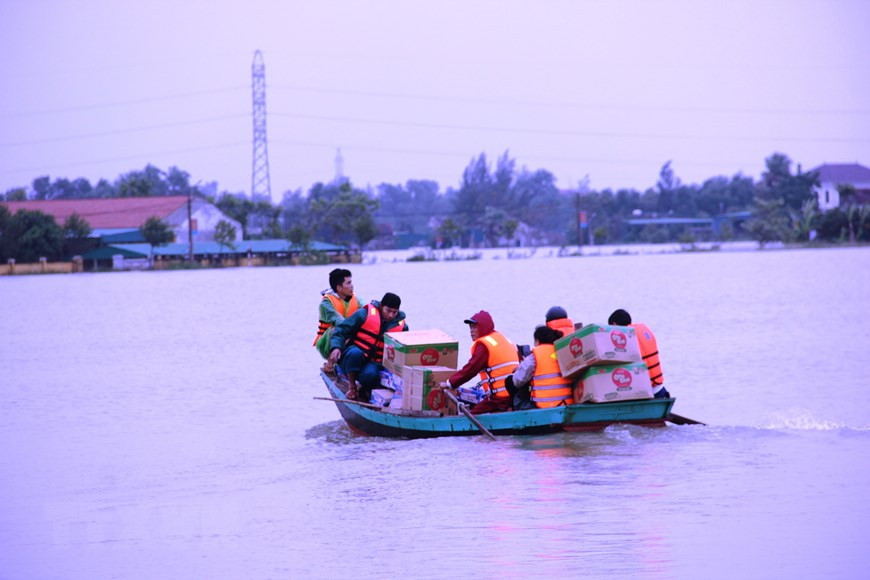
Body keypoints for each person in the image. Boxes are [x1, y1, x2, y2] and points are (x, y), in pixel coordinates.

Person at [325, 292, 408, 401]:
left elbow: (405, 349)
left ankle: (364, 387)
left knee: (370, 375)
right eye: (388, 310)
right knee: (355, 353)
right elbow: (341, 330)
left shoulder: (402, 327)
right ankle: (352, 386)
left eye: (394, 312)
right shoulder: (363, 314)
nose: (391, 315)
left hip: (374, 363)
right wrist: (336, 347)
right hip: (352, 357)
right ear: (381, 306)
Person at [440, 310, 519, 414]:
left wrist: (450, 383)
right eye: (470, 328)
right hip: (514, 395)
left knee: (471, 416)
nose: (471, 331)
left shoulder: (484, 345)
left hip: (499, 399)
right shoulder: (503, 339)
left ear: (483, 327)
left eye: (474, 327)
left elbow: (471, 369)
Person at [608, 308, 670, 398]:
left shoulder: (625, 339)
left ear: (614, 324)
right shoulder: (641, 332)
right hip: (659, 389)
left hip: (645, 393)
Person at [510, 325, 574, 410]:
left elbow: (518, 381)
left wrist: (520, 369)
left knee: (510, 382)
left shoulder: (534, 356)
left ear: (537, 341)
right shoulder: (562, 351)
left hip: (544, 406)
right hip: (566, 402)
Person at [313, 268, 362, 359]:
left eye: (351, 282)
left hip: (348, 335)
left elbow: (366, 312)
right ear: (339, 288)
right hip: (326, 342)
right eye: (348, 283)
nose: (352, 286)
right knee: (336, 330)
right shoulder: (326, 303)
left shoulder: (356, 300)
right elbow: (338, 320)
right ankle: (331, 362)